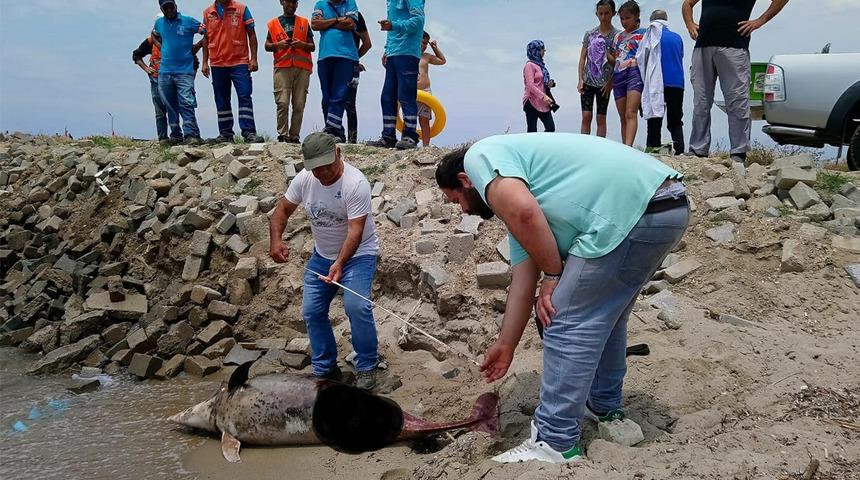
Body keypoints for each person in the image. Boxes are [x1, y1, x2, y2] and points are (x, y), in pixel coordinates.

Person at [434, 133, 689, 463]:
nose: (463, 210)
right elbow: (523, 285)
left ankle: (554, 441)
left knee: (562, 319)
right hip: (667, 205)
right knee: (605, 317)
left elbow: (525, 213)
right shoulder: (523, 195)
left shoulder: (481, 157)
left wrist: (553, 276)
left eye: (457, 201)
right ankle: (603, 405)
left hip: (630, 210)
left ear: (465, 180)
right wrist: (506, 344)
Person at [269, 132, 381, 390]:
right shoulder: (305, 180)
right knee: (311, 311)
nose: (323, 173)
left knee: (356, 306)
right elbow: (281, 212)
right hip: (322, 255)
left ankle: (367, 366)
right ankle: (326, 369)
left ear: (338, 154)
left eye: (327, 166)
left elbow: (356, 231)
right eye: (316, 169)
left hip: (359, 254)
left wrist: (340, 263)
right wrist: (276, 241)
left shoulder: (355, 183)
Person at [683, 0, 789, 163]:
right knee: (700, 101)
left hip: (735, 46)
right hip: (703, 45)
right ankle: (698, 150)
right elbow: (687, 4)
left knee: (737, 100)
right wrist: (690, 24)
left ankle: (738, 152)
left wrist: (759, 21)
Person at [365, 0, 426, 150]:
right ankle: (388, 137)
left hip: (408, 52)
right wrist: (387, 49)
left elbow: (418, 21)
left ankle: (410, 136)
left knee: (406, 95)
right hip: (394, 52)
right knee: (387, 96)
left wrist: (393, 25)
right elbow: (392, 28)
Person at [200, 0, 259, 143]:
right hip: (217, 63)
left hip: (239, 61)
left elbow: (251, 34)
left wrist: (254, 58)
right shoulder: (208, 12)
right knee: (221, 99)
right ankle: (225, 134)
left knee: (244, 95)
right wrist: (204, 62)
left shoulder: (241, 9)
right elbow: (205, 38)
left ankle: (249, 132)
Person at [133, 32, 204, 143]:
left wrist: (189, 81)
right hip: (156, 79)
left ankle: (191, 135)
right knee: (161, 110)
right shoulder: (150, 41)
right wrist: (146, 68)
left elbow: (194, 61)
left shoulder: (177, 40)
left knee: (185, 106)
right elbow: (136, 55)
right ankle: (164, 138)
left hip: (176, 79)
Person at [152, 0, 206, 145]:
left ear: (176, 6)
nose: (169, 9)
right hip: (165, 71)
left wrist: (197, 46)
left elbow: (207, 32)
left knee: (187, 103)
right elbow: (154, 35)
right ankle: (176, 136)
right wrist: (162, 47)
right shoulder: (159, 24)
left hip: (184, 71)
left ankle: (191, 135)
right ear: (161, 9)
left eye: (172, 6)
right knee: (169, 104)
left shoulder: (188, 21)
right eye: (166, 7)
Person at [266, 0, 316, 144]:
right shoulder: (273, 23)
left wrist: (302, 45)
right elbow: (267, 45)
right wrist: (278, 45)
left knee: (299, 103)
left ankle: (294, 136)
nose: (292, 5)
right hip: (282, 67)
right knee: (282, 102)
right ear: (282, 2)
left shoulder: (304, 22)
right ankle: (283, 134)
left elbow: (312, 46)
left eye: (295, 2)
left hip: (302, 68)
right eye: (289, 2)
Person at [311, 0, 360, 143]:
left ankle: (331, 130)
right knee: (326, 97)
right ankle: (337, 131)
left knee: (339, 95)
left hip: (346, 56)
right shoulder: (320, 4)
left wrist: (326, 22)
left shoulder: (350, 3)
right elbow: (315, 25)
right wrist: (338, 20)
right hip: (325, 56)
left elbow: (350, 23)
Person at [639, 10, 686, 155]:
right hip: (677, 82)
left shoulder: (650, 37)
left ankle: (653, 147)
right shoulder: (677, 38)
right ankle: (680, 150)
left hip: (657, 82)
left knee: (654, 116)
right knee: (676, 119)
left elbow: (642, 60)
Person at [578, 0, 619, 138]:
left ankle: (599, 146)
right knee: (586, 115)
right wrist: (580, 79)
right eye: (600, 13)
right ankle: (584, 144)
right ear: (597, 14)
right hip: (588, 80)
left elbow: (618, 62)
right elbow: (583, 58)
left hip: (605, 83)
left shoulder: (617, 36)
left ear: (613, 13)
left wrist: (611, 82)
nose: (603, 17)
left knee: (601, 117)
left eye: (607, 13)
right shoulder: (590, 34)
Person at [608, 0, 645, 146]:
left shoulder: (644, 34)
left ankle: (629, 147)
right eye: (622, 18)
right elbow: (614, 57)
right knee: (623, 116)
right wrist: (606, 54)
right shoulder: (618, 36)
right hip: (618, 75)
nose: (624, 22)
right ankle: (624, 147)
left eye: (627, 18)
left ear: (636, 16)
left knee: (631, 113)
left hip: (634, 73)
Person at [345, 12, 372, 144]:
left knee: (349, 103)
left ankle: (352, 140)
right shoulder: (327, 9)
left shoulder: (357, 16)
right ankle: (335, 135)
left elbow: (367, 43)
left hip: (351, 66)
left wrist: (355, 59)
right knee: (331, 101)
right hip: (333, 64)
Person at [417, 32, 446, 147]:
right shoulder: (408, 55)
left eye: (425, 44)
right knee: (409, 120)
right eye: (422, 43)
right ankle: (408, 142)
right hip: (411, 92)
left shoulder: (426, 57)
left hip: (425, 92)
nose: (424, 46)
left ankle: (426, 146)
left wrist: (435, 48)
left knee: (424, 121)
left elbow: (442, 61)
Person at [523, 40, 557, 133]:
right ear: (536, 50)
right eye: (542, 49)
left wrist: (549, 84)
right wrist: (544, 96)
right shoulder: (529, 65)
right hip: (531, 101)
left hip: (543, 102)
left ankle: (544, 146)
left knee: (550, 128)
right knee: (532, 131)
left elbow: (541, 82)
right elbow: (530, 85)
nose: (544, 51)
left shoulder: (541, 66)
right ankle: (532, 147)